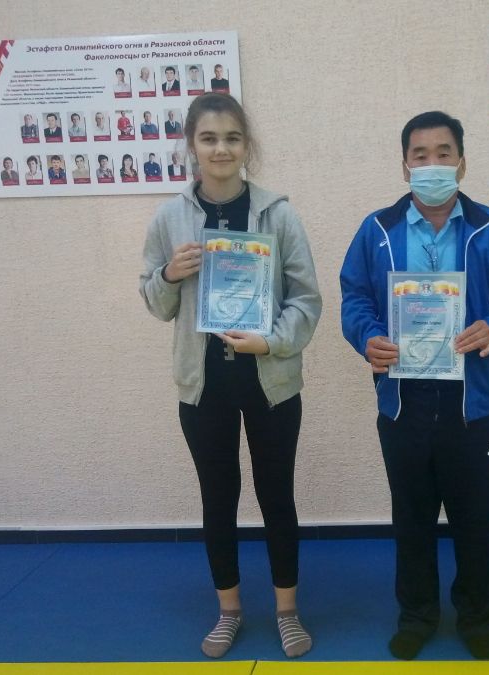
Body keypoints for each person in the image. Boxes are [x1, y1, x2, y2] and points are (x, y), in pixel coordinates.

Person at [339, 111, 489, 661]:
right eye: (421, 155)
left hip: (471, 400)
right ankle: (417, 615)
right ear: (405, 165)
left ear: (462, 163)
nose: (432, 164)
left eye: (443, 153)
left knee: (475, 518)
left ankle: (478, 616)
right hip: (402, 400)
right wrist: (367, 336)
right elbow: (354, 297)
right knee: (411, 519)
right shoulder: (377, 231)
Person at [139, 92, 322, 660]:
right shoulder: (169, 218)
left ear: (247, 146)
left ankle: (287, 611)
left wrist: (271, 341)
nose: (221, 148)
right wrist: (170, 275)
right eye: (209, 138)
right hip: (203, 386)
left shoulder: (279, 214)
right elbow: (155, 303)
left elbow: (307, 300)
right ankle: (229, 610)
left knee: (277, 496)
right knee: (218, 499)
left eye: (232, 138)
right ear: (191, 146)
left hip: (270, 381)